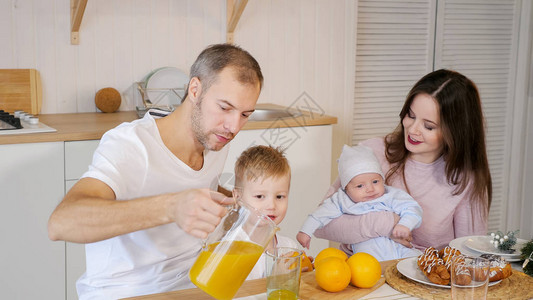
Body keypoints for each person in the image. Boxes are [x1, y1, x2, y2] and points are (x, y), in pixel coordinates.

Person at [47, 43, 264, 299]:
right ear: (195, 89)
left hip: (192, 283)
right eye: (225, 108)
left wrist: (243, 205)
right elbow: (61, 223)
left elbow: (200, 186)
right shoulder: (131, 144)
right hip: (127, 292)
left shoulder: (215, 139)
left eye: (245, 114)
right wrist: (171, 207)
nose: (234, 127)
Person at [314, 69, 492, 254]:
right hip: (359, 274)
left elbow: (471, 255)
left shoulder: (465, 180)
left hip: (421, 279)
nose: (413, 129)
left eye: (428, 126)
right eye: (411, 115)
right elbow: (320, 225)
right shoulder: (372, 152)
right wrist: (384, 224)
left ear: (455, 133)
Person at [296, 145, 423, 261]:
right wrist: (305, 232)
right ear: (346, 188)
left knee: (416, 262)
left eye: (375, 182)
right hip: (367, 259)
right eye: (360, 186)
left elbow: (412, 208)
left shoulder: (390, 195)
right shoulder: (342, 200)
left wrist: (405, 225)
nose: (370, 189)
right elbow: (320, 214)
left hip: (399, 250)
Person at [231, 145, 300, 279]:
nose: (271, 205)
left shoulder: (288, 247)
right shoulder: (230, 249)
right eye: (259, 196)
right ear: (238, 197)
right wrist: (275, 278)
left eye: (279, 196)